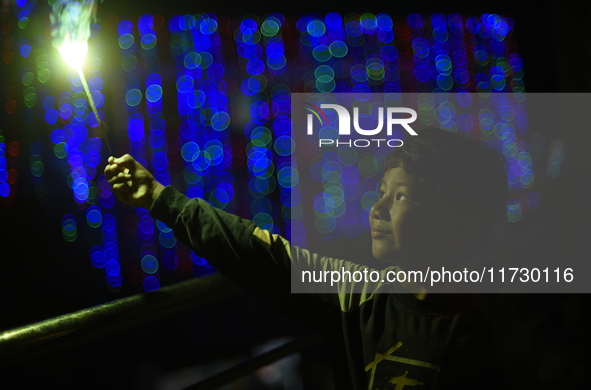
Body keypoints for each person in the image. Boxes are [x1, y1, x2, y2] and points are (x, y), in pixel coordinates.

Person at [105, 128, 540, 389]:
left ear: (457, 223)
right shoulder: (359, 296)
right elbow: (261, 253)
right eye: (382, 192)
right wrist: (160, 198)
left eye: (402, 196)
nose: (378, 208)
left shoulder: (493, 331)